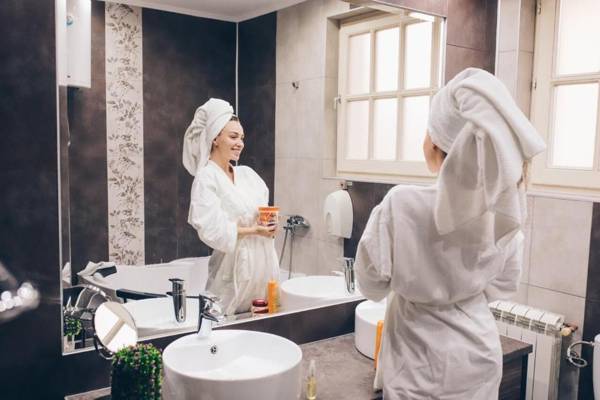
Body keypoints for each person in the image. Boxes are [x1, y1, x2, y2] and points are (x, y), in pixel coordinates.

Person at [355, 68, 546, 399]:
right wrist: (461, 289)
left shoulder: (401, 204)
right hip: (479, 358)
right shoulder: (503, 209)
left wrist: (422, 288)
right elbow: (504, 284)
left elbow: (370, 284)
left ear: (436, 143)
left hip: (416, 366)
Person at [183, 98, 279, 316]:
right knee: (226, 327)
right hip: (232, 275)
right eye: (233, 136)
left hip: (263, 271)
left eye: (242, 138)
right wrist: (254, 230)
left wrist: (270, 225)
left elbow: (262, 215)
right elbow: (212, 230)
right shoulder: (207, 177)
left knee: (259, 327)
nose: (240, 143)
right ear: (215, 138)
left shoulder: (248, 175)